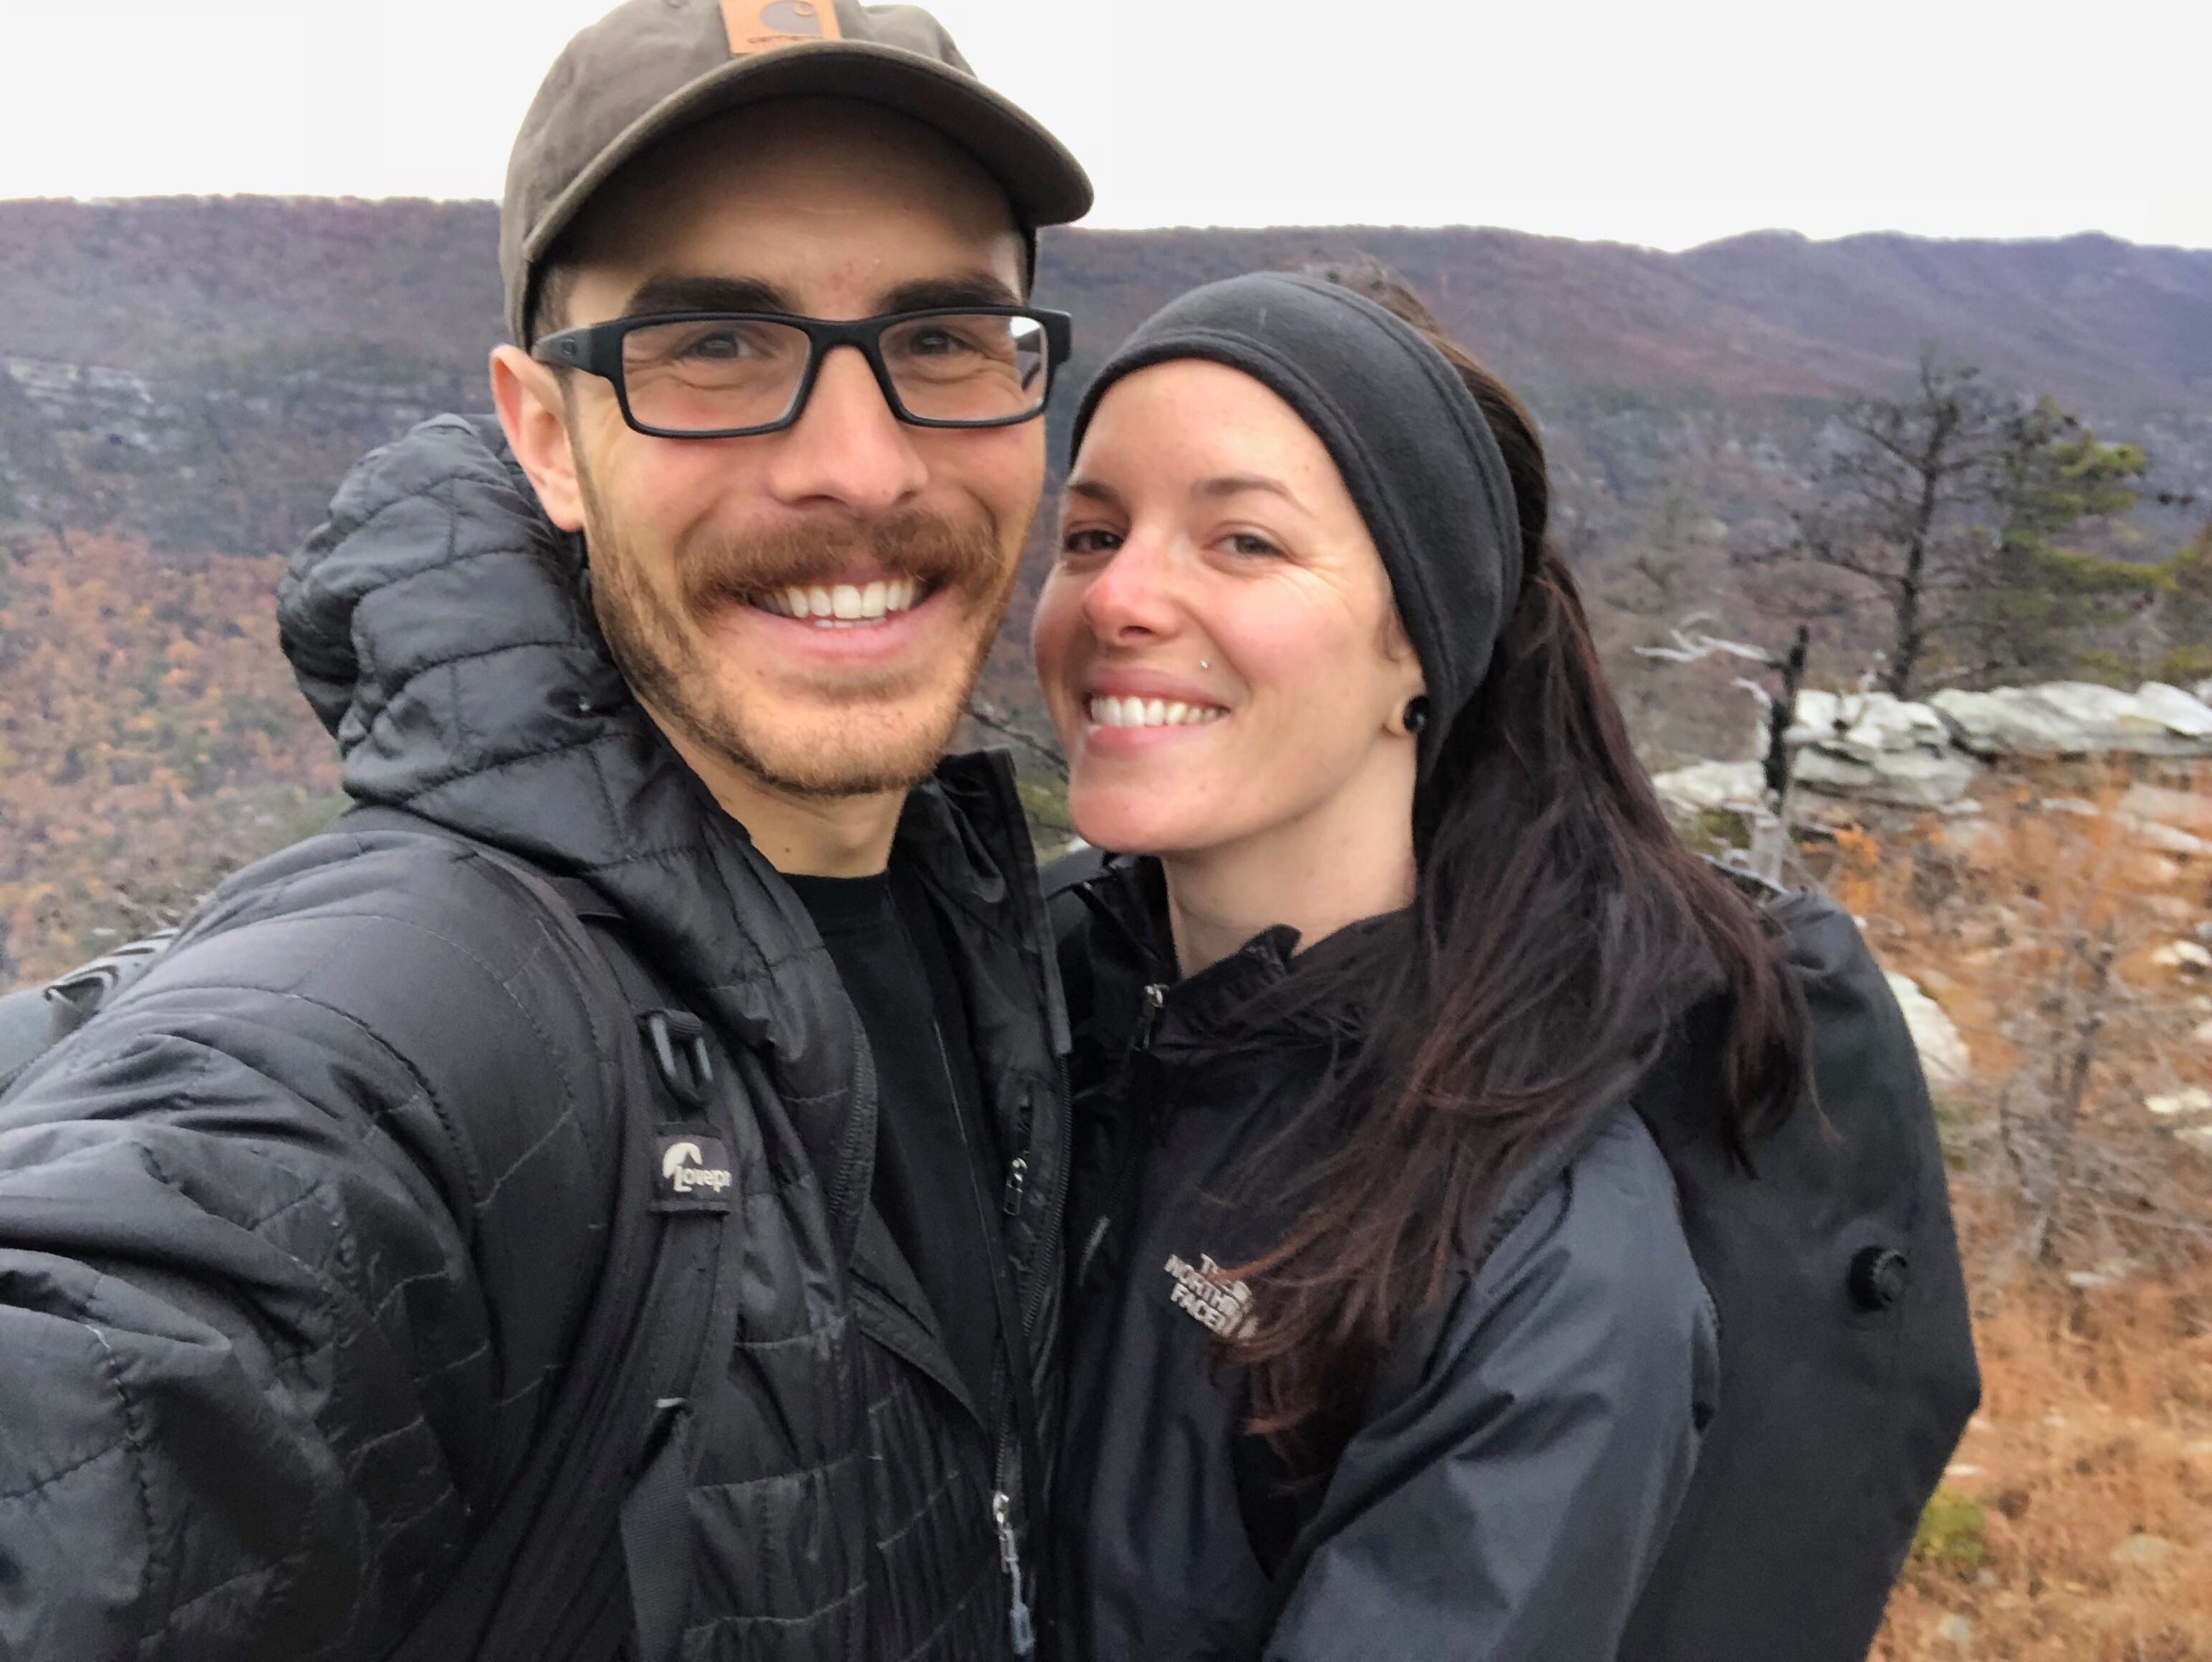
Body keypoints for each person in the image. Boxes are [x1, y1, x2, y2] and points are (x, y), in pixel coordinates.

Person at [0, 3, 1090, 1658]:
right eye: (712, 346)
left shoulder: (992, 932)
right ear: (541, 434)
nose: (857, 466)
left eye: (940, 337)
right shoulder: (429, 1025)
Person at [1036, 266, 1809, 1661]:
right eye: (1090, 532)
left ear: (1417, 642)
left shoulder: (1544, 1260)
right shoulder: (1017, 1018)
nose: (1121, 596)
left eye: (1243, 543)